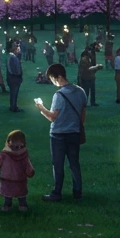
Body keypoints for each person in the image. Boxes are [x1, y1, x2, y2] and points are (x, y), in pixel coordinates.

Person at [35, 63, 87, 202]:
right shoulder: (80, 91)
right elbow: (83, 116)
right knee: (74, 163)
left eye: (52, 79)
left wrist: (41, 108)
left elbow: (53, 117)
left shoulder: (59, 95)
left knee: (58, 164)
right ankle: (78, 192)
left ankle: (57, 192)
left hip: (58, 134)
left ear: (58, 77)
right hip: (74, 132)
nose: (53, 82)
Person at [0, 129, 36, 212]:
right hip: (20, 179)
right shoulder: (24, 154)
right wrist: (30, 172)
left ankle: (7, 205)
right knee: (21, 194)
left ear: (9, 142)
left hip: (7, 179)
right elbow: (27, 164)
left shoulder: (4, 154)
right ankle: (22, 206)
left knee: (8, 194)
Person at [6, 40, 24, 112]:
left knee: (14, 93)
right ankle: (13, 107)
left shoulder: (14, 57)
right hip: (14, 78)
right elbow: (14, 69)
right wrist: (18, 75)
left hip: (14, 77)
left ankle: (14, 106)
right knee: (14, 93)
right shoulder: (12, 57)